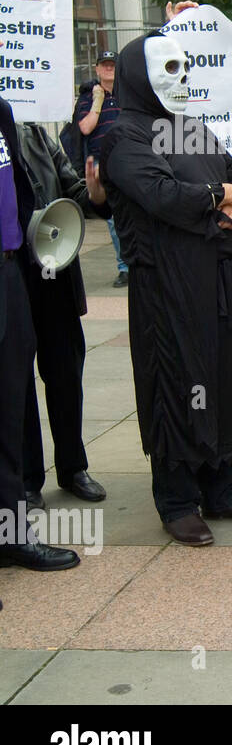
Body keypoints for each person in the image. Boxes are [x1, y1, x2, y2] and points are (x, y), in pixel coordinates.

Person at [101, 31, 232, 546]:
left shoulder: (194, 128)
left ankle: (221, 488)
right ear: (142, 76)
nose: (182, 80)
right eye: (170, 70)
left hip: (219, 277)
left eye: (186, 70)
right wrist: (220, 196)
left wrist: (225, 198)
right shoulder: (124, 136)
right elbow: (161, 195)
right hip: (168, 290)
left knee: (223, 378)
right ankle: (177, 500)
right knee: (177, 386)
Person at [0, 95, 82, 598]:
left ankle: (11, 535)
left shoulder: (3, 112)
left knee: (10, 409)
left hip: (10, 272)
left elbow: (22, 193)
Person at [13, 121, 111, 507]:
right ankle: (27, 478)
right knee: (17, 382)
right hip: (12, 275)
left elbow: (71, 191)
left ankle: (73, 468)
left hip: (54, 271)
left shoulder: (36, 133)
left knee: (67, 376)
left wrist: (95, 195)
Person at [75, 51, 127, 287]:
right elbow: (85, 128)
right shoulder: (88, 98)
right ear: (96, 70)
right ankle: (124, 267)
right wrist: (98, 100)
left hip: (127, 161)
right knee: (114, 221)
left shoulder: (127, 94)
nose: (109, 69)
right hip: (101, 165)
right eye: (104, 66)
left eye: (112, 65)